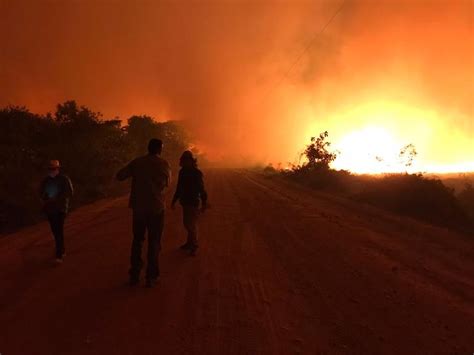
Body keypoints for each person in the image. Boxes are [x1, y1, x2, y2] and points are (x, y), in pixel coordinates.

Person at [116, 139, 171, 287]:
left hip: (139, 208)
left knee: (138, 241)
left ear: (148, 148)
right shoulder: (163, 164)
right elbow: (167, 183)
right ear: (159, 149)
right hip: (156, 208)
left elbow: (120, 175)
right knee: (154, 242)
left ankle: (134, 274)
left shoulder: (137, 162)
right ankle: (151, 277)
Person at [171, 150, 208, 256]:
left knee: (189, 224)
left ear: (192, 161)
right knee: (187, 223)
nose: (185, 162)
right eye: (184, 160)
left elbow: (201, 189)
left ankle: (194, 244)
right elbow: (179, 187)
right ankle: (189, 243)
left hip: (193, 202)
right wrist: (174, 200)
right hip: (185, 201)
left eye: (187, 160)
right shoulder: (182, 172)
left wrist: (204, 202)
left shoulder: (196, 173)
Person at [39, 160, 74, 263]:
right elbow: (41, 193)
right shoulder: (46, 181)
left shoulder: (64, 179)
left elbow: (70, 192)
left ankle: (59, 255)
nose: (52, 170)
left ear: (58, 168)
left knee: (58, 230)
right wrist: (45, 199)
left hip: (60, 208)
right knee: (55, 231)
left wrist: (58, 199)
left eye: (54, 168)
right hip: (50, 209)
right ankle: (61, 250)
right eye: (50, 169)